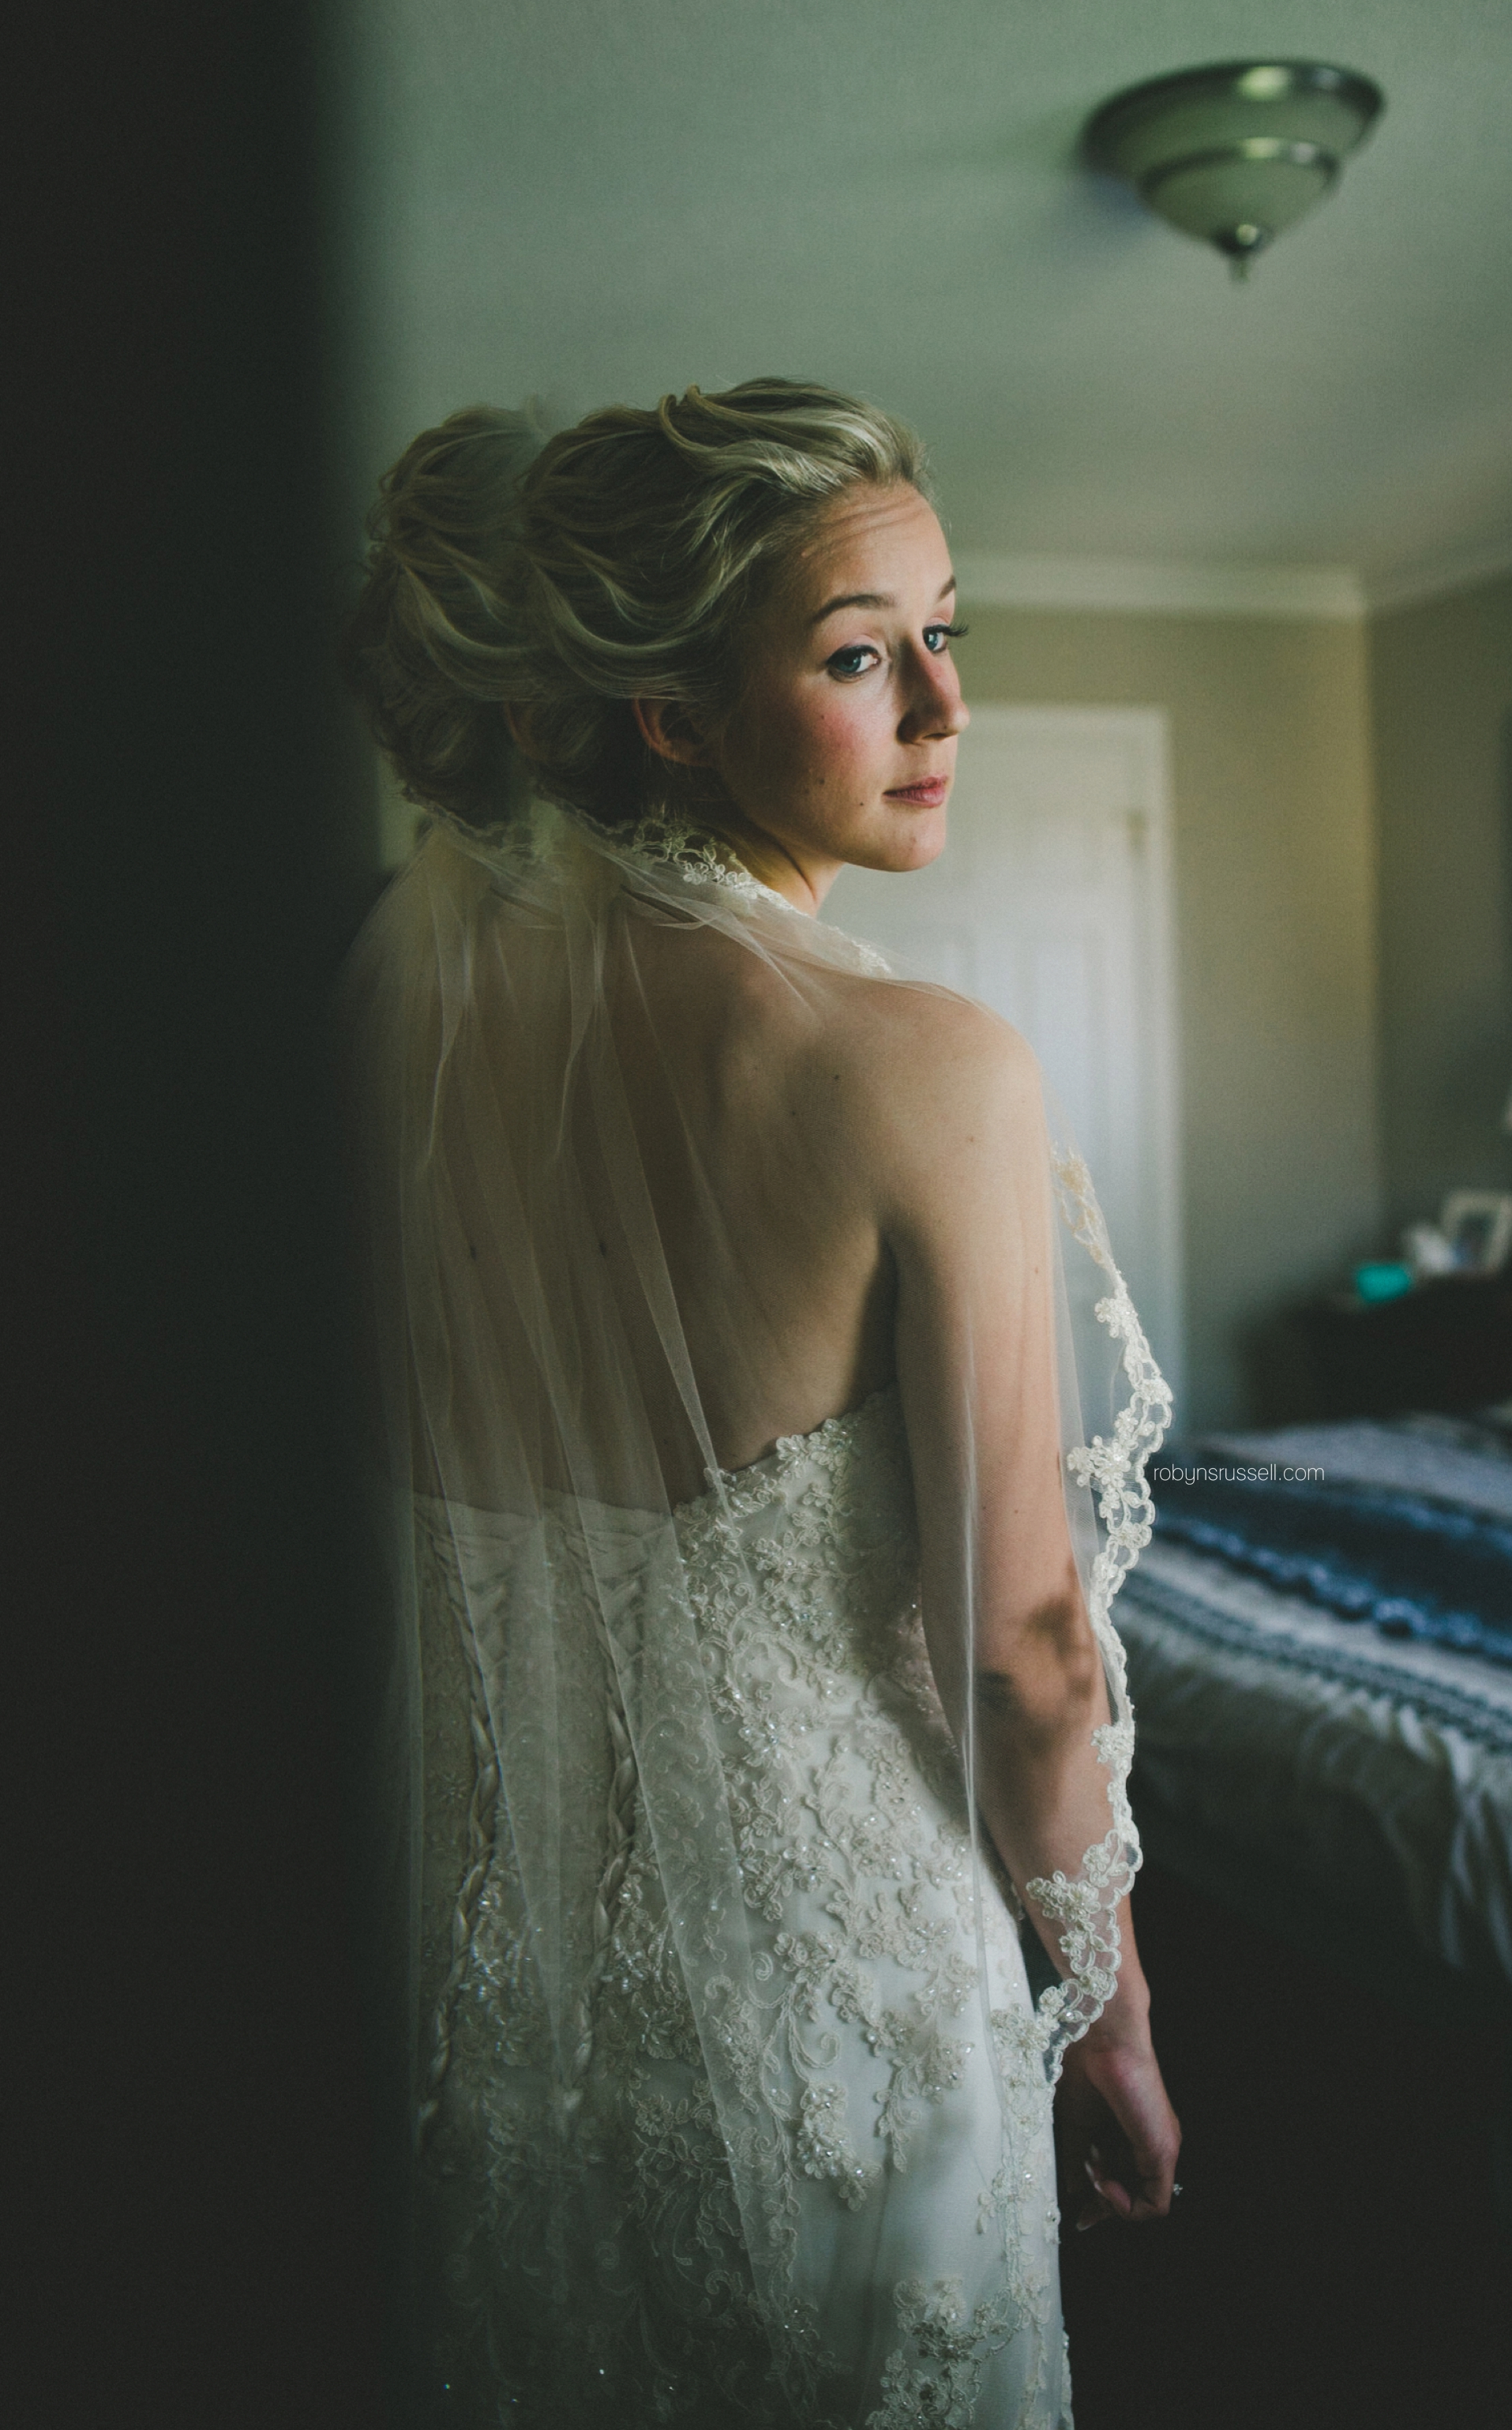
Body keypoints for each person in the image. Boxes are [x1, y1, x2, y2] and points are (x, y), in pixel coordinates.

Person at [340, 377, 1180, 2428]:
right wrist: (1110, 2003)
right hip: (841, 2020)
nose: (942, 711)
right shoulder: (919, 1069)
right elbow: (1032, 1651)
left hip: (491, 2030)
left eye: (943, 636)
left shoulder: (376, 1023)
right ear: (670, 713)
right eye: (857, 656)